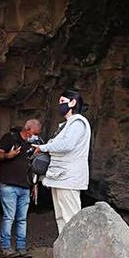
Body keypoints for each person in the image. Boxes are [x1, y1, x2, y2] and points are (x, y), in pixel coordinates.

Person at [32, 89, 91, 234]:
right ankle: (65, 252)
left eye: (63, 102)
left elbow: (66, 145)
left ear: (73, 102)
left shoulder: (78, 123)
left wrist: (43, 148)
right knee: (61, 217)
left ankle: (76, 252)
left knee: (71, 218)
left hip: (69, 177)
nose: (60, 105)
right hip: (59, 176)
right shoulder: (67, 124)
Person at [0, 118, 42, 258]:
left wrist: (34, 185)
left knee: (22, 219)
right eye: (35, 133)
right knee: (9, 217)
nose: (36, 136)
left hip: (25, 187)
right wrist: (9, 155)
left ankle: (21, 248)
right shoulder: (10, 138)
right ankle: (5, 248)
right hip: (8, 185)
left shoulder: (33, 144)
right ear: (27, 130)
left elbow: (34, 166)